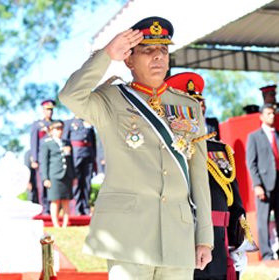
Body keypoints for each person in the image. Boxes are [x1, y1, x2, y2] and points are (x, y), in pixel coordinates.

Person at [59, 16, 213, 279]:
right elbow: (70, 95)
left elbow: (198, 175)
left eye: (163, 50)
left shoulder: (189, 107)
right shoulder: (110, 99)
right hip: (128, 237)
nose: (158, 57)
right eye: (148, 50)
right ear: (128, 59)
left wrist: (205, 238)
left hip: (179, 235)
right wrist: (107, 54)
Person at [166, 72, 254, 280]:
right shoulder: (164, 149)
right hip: (179, 241)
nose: (195, 114)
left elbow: (233, 202)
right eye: (188, 108)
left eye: (198, 108)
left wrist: (237, 243)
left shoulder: (219, 150)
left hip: (218, 243)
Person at [246, 102, 279, 261]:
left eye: (273, 113)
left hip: (278, 183)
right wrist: (257, 184)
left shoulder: (278, 134)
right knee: (263, 219)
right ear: (261, 116)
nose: (271, 116)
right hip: (264, 184)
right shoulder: (254, 137)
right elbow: (251, 163)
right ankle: (266, 254)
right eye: (268, 113)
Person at [40, 120, 76, 228]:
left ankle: (65, 225)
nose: (59, 131)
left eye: (61, 129)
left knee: (66, 200)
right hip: (54, 176)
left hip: (67, 175)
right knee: (55, 201)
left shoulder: (67, 143)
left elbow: (71, 161)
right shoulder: (47, 144)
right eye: (57, 129)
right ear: (51, 130)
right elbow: (44, 162)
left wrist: (73, 176)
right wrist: (45, 178)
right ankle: (56, 224)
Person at [63, 116, 97, 215]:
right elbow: (65, 140)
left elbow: (93, 141)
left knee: (87, 182)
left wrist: (94, 157)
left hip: (88, 155)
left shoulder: (89, 122)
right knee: (76, 182)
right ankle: (77, 208)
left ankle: (85, 207)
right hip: (75, 155)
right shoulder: (69, 123)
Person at [30, 99, 56, 214]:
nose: (49, 112)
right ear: (43, 110)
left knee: (53, 184)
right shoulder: (37, 125)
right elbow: (33, 142)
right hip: (41, 159)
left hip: (53, 159)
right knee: (42, 185)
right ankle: (44, 208)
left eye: (51, 110)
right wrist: (34, 159)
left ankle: (52, 208)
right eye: (47, 110)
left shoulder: (56, 125)